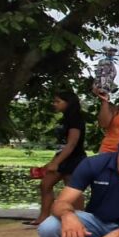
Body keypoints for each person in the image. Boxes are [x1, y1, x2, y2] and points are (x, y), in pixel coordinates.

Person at [28, 91, 87, 227]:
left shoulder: (75, 118)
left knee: (73, 189)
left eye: (58, 101)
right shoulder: (64, 118)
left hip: (74, 159)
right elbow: (62, 145)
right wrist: (53, 161)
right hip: (62, 157)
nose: (54, 104)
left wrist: (57, 162)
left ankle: (80, 218)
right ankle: (43, 217)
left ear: (68, 102)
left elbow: (72, 143)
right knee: (45, 185)